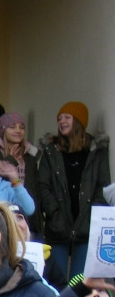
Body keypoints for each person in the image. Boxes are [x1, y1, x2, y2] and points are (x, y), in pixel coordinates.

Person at [37, 101, 110, 277]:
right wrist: (54, 212)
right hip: (58, 226)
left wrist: (93, 215)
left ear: (79, 121)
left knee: (79, 282)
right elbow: (43, 186)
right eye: (59, 118)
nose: (62, 121)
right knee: (57, 278)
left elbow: (104, 188)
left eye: (67, 117)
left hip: (86, 226)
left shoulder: (96, 151)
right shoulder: (50, 151)